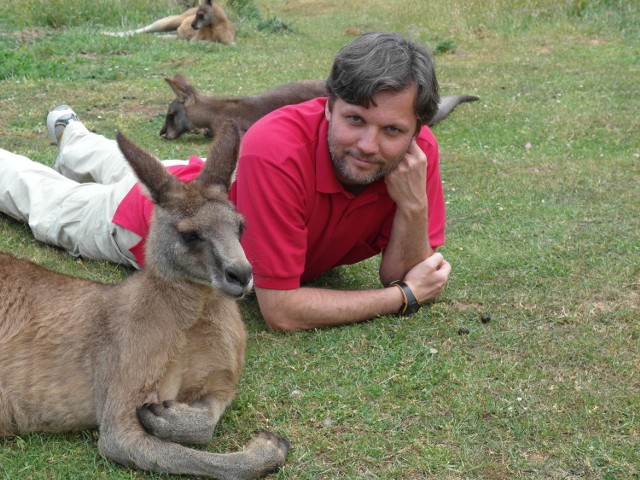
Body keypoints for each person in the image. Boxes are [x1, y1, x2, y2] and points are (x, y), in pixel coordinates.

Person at [0, 31, 451, 332]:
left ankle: (74, 137)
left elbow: (399, 269)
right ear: (328, 105)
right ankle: (40, 153)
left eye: (392, 130)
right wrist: (403, 299)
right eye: (355, 120)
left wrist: (412, 208)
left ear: (416, 131)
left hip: (209, 181)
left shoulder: (416, 155)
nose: (369, 145)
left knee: (147, 164)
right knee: (49, 203)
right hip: (157, 220)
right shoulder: (279, 149)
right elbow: (281, 310)